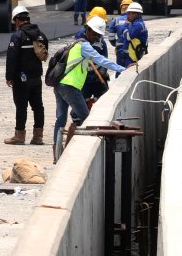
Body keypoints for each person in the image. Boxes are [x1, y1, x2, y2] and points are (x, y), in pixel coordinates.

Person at [52, 16, 129, 157]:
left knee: (61, 118)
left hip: (60, 84)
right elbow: (101, 60)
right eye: (94, 34)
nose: (96, 38)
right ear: (87, 30)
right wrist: (123, 69)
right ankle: (74, 153)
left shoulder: (77, 43)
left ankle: (58, 154)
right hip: (70, 86)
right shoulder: (84, 46)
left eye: (99, 36)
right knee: (86, 118)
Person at [4, 5, 48, 145]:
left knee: (21, 107)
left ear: (17, 20)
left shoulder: (17, 36)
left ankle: (20, 136)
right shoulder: (40, 34)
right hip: (36, 77)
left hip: (21, 78)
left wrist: (9, 76)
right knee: (38, 106)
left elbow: (12, 58)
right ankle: (38, 137)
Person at [113, 2, 148, 68]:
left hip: (132, 57)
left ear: (135, 14)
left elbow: (128, 37)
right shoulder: (138, 23)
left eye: (129, 13)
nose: (127, 15)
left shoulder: (137, 25)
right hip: (131, 54)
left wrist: (125, 25)